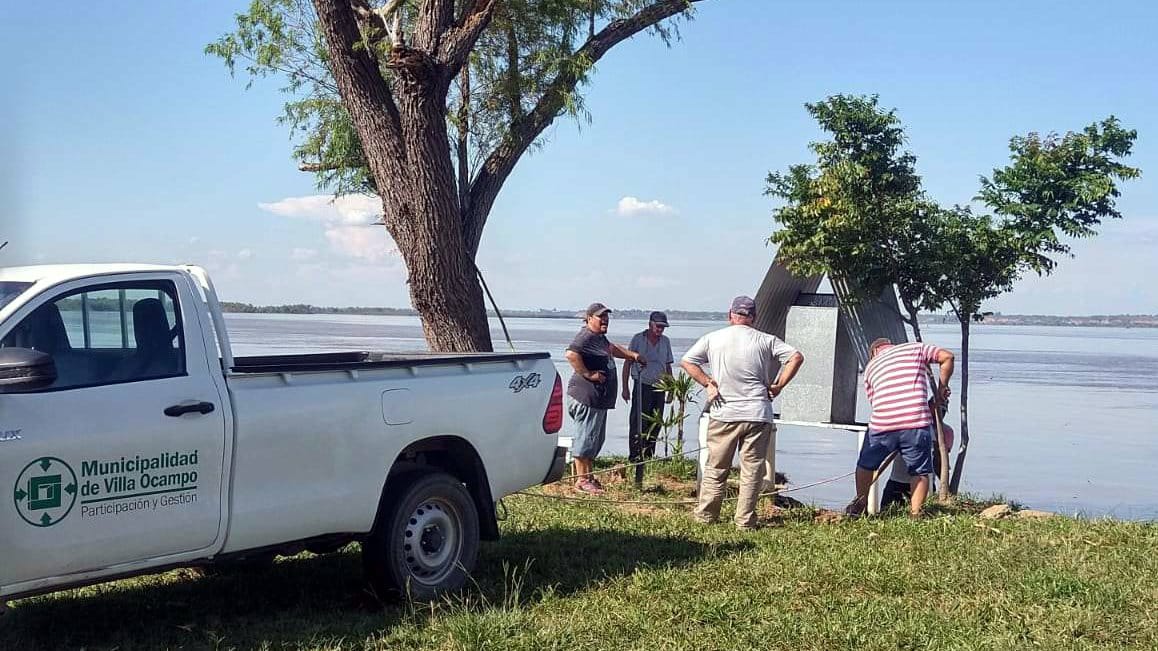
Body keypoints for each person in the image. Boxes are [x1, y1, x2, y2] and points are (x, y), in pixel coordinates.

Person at [680, 296, 805, 530]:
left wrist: (708, 382)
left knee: (716, 467)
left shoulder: (713, 338)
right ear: (753, 317)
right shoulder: (766, 340)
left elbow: (687, 361)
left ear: (730, 315)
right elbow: (796, 357)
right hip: (757, 412)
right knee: (752, 471)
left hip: (724, 412)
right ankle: (745, 521)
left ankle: (706, 516)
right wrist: (778, 385)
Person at [849, 337, 955, 517]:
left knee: (865, 465)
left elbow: (877, 403)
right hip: (914, 422)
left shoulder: (870, 368)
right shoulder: (913, 349)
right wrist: (941, 390)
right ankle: (916, 513)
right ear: (892, 346)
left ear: (874, 353)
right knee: (920, 472)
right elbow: (947, 357)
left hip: (883, 423)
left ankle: (860, 505)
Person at [565, 302, 646, 494]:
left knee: (594, 440)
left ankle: (588, 477)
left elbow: (612, 349)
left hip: (598, 399)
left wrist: (634, 356)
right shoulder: (585, 336)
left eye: (606, 317)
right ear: (589, 318)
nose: (605, 320)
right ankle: (582, 481)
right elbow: (571, 354)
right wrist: (588, 374)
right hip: (587, 397)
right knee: (586, 439)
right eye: (601, 317)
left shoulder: (599, 338)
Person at [621, 311, 674, 483]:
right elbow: (627, 363)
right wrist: (625, 388)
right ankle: (635, 456)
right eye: (658, 326)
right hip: (641, 384)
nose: (660, 330)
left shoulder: (665, 341)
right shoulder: (638, 339)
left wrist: (671, 388)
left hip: (660, 386)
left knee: (655, 422)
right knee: (638, 421)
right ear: (650, 324)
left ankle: (649, 454)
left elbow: (668, 366)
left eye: (663, 327)